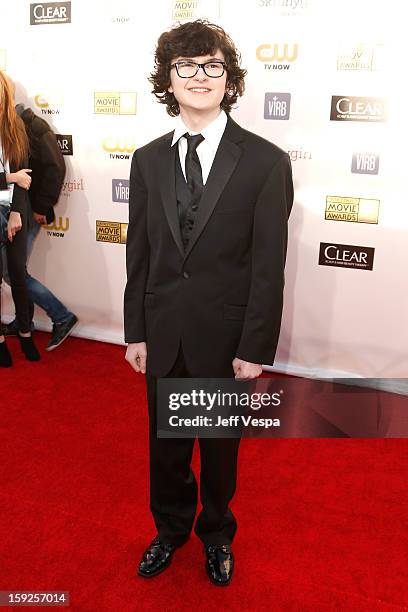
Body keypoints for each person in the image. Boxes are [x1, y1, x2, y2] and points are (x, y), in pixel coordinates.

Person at [124, 20, 293, 585]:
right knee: (165, 448)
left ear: (229, 79)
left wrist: (254, 346)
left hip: (225, 338)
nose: (200, 77)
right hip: (162, 329)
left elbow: (269, 266)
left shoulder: (267, 162)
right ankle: (169, 529)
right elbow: (140, 253)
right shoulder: (147, 159)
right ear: (168, 80)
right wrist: (135, 331)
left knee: (220, 451)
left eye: (213, 66)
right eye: (187, 66)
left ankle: (216, 534)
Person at [1, 87, 78, 351]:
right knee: (14, 271)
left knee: (13, 272)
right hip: (16, 206)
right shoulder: (11, 129)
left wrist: (42, 206)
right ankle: (26, 322)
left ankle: (62, 316)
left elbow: (56, 167)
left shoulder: (32, 126)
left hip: (27, 209)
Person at [0, 70, 40, 366]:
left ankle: (25, 332)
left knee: (18, 275)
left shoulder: (15, 128)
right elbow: (16, 177)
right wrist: (9, 177)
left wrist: (15, 212)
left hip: (13, 210)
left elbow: (24, 180)